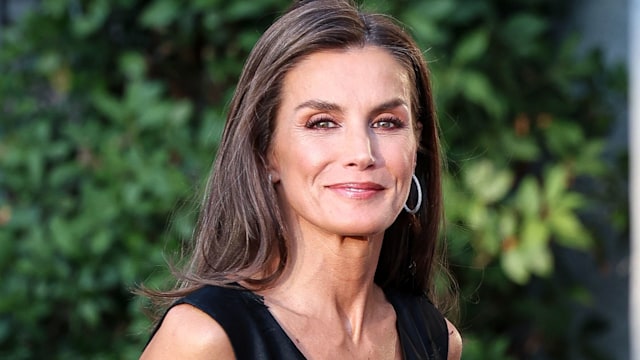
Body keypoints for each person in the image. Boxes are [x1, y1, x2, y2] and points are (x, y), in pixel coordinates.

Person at [140, 0, 462, 358]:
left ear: (416, 144)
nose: (362, 153)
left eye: (386, 122)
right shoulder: (205, 338)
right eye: (322, 122)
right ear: (267, 152)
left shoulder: (437, 339)